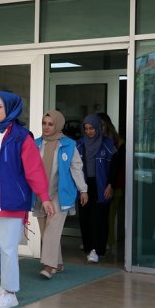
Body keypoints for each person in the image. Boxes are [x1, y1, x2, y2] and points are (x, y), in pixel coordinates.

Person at [0, 91, 54, 308]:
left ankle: (9, 292)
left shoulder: (22, 137)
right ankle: (1, 272)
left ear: (10, 108)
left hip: (13, 197)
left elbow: (34, 170)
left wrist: (44, 197)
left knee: (8, 246)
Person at [33, 110, 88, 278]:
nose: (46, 127)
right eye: (44, 123)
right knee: (46, 231)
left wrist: (83, 189)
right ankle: (58, 263)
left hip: (60, 193)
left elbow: (76, 168)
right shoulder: (35, 144)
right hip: (40, 193)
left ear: (58, 125)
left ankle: (48, 266)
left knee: (53, 228)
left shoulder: (69, 145)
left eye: (50, 124)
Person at [76, 114, 117, 263]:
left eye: (92, 128)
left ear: (98, 128)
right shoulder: (80, 144)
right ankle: (89, 247)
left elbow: (114, 167)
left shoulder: (108, 144)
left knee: (99, 218)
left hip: (101, 186)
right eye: (86, 129)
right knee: (85, 217)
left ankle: (97, 249)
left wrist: (110, 185)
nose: (89, 131)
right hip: (85, 186)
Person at [97, 112, 125, 254]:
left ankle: (108, 242)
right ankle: (97, 242)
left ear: (107, 125)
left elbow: (119, 166)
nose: (99, 128)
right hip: (98, 183)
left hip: (115, 184)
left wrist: (112, 184)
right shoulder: (93, 141)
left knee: (109, 216)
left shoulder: (118, 142)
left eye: (101, 125)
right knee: (98, 215)